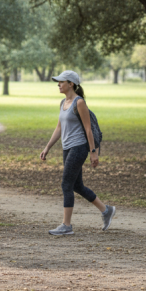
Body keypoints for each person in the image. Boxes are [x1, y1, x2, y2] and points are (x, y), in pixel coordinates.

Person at [40, 70, 115, 235]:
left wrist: (93, 152)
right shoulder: (63, 103)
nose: (58, 84)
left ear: (71, 84)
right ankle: (106, 210)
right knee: (77, 185)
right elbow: (59, 128)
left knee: (66, 184)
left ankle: (66, 225)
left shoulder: (79, 103)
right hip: (67, 147)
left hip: (79, 147)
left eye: (61, 81)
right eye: (58, 82)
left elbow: (88, 129)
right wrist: (47, 147)